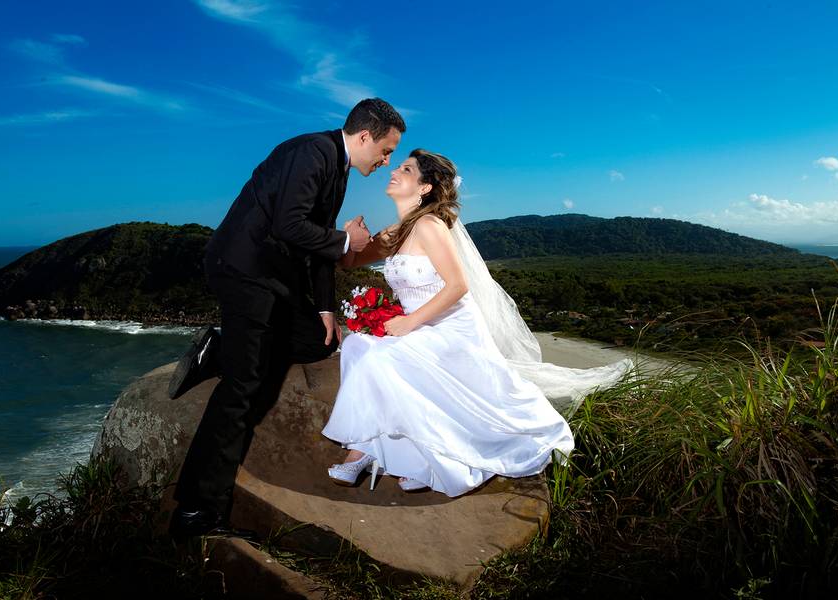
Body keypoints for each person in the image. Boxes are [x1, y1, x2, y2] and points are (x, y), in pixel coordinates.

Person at [321, 149, 631, 497]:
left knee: (378, 356)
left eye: (406, 169)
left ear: (425, 188)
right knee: (358, 346)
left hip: (451, 329)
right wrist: (350, 235)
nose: (394, 171)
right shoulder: (396, 232)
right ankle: (379, 451)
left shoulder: (429, 225)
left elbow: (458, 286)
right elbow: (350, 262)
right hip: (421, 328)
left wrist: (409, 323)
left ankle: (366, 452)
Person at [168, 98, 406, 538]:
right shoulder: (310, 154)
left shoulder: (337, 168)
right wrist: (344, 238)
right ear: (365, 136)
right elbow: (287, 225)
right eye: (387, 150)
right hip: (244, 271)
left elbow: (316, 249)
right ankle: (195, 512)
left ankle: (218, 351)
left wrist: (326, 309)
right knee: (245, 388)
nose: (387, 160)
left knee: (319, 342)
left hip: (276, 278)